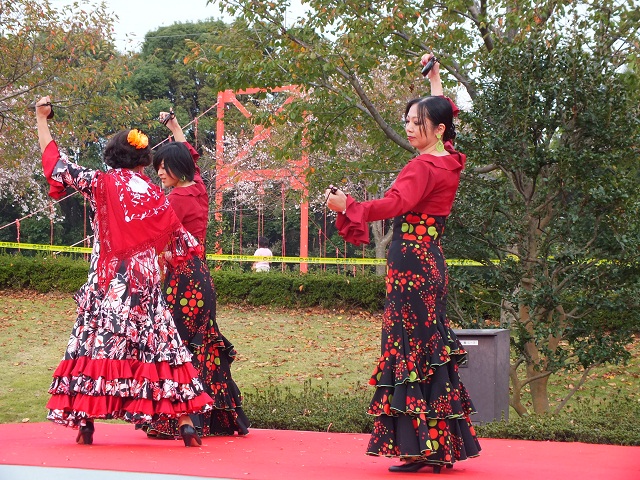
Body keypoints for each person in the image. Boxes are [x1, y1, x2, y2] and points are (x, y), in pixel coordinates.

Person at [325, 54, 481, 473]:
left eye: (417, 122)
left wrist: (348, 205)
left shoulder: (422, 166)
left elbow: (393, 204)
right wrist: (436, 82)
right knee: (429, 349)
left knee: (409, 348)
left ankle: (418, 447)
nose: (410, 128)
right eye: (408, 121)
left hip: (411, 264)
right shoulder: (449, 160)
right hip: (431, 260)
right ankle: (438, 446)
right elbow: (446, 115)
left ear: (438, 129)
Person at [35, 96, 212, 447]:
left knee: (96, 343)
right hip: (145, 280)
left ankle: (86, 420)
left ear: (112, 156)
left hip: (109, 280)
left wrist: (42, 119)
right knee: (160, 344)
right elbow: (179, 232)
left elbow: (56, 164)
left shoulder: (100, 183)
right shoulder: (153, 192)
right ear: (144, 160)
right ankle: (185, 420)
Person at [140, 111, 249, 438]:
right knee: (200, 344)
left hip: (182, 282)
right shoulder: (198, 188)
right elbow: (191, 158)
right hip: (201, 277)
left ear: (179, 168)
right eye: (158, 167)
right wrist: (174, 126)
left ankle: (183, 419)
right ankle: (212, 417)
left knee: (178, 346)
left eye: (164, 167)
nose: (160, 172)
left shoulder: (176, 198)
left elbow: (156, 238)